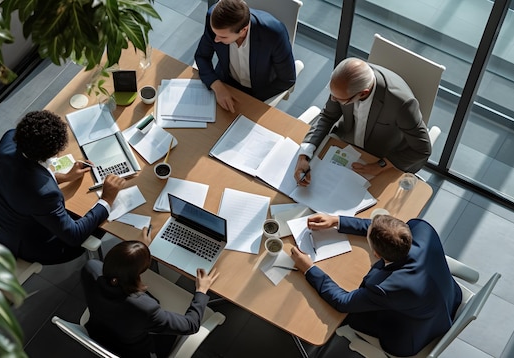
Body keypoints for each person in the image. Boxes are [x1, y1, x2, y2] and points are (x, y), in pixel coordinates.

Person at [290, 214, 462, 357]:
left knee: (343, 316)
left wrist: (309, 268)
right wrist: (337, 221)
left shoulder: (385, 287)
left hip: (412, 337)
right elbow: (387, 230)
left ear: (376, 253)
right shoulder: (422, 229)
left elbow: (342, 302)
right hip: (450, 298)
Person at [0, 110, 124, 265]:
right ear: (54, 153)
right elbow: (74, 235)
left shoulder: (8, 140)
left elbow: (22, 178)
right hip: (29, 244)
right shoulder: (44, 195)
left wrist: (65, 177)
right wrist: (107, 199)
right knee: (99, 223)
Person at [294, 57, 431, 186]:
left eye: (340, 99)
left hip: (379, 157)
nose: (333, 100)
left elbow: (423, 149)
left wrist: (380, 166)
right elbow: (328, 116)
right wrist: (304, 155)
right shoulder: (344, 81)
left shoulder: (401, 104)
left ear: (364, 93)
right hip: (346, 144)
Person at [81, 238, 219, 358]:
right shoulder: (145, 308)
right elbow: (191, 325)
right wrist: (201, 290)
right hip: (132, 352)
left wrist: (136, 252)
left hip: (97, 333)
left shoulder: (90, 268)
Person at [194, 0, 296, 112]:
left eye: (223, 37)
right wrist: (217, 86)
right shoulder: (213, 18)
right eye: (215, 34)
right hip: (225, 82)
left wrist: (251, 100)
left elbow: (287, 79)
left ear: (243, 30)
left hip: (258, 92)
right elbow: (202, 56)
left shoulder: (274, 34)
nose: (216, 39)